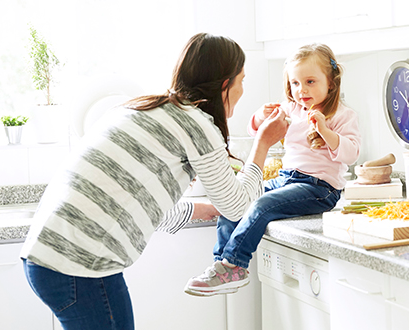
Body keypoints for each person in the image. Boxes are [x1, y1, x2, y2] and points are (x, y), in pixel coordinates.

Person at [20, 32, 288, 330]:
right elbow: (238, 207)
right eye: (241, 80)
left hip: (50, 259)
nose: (242, 90)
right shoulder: (196, 124)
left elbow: (136, 202)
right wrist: (262, 143)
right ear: (225, 84)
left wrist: (198, 210)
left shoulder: (144, 109)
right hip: (79, 264)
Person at [184, 43, 361, 296]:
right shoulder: (291, 109)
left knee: (260, 205)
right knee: (235, 200)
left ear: (331, 82)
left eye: (310, 81)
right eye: (295, 83)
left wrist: (325, 131)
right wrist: (258, 117)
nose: (302, 90)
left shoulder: (342, 115)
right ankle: (221, 264)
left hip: (319, 188)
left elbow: (351, 153)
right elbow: (255, 131)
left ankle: (234, 264)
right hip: (286, 180)